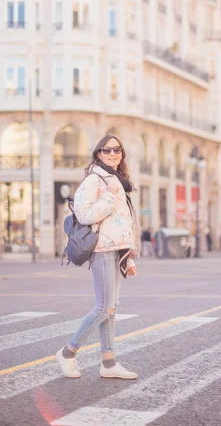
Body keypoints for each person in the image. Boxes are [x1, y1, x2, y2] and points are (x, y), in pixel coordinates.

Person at [57, 134, 140, 380]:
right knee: (103, 307)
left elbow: (124, 223)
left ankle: (108, 362)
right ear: (98, 153)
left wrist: (130, 256)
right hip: (102, 250)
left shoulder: (118, 181)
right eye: (107, 150)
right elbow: (83, 215)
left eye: (117, 149)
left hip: (118, 250)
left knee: (112, 309)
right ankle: (68, 352)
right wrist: (108, 197)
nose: (113, 153)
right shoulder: (94, 180)